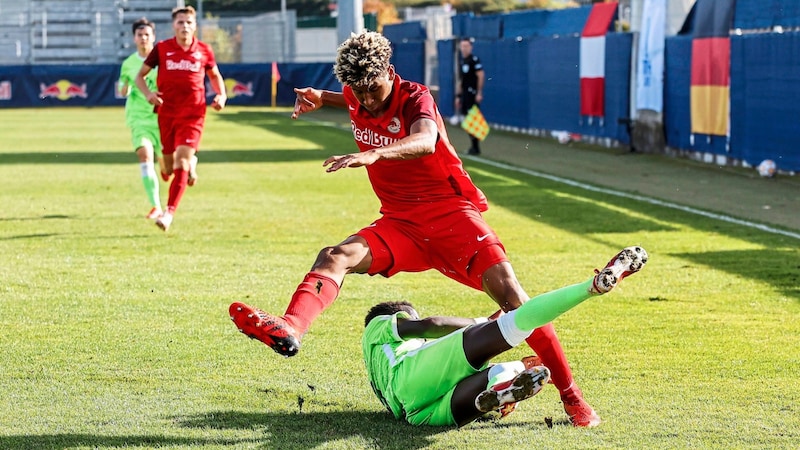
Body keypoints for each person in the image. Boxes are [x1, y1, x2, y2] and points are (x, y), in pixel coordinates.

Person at [228, 30, 601, 427]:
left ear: (389, 71)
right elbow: (354, 99)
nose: (367, 99)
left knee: (517, 302)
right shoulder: (357, 93)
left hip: (452, 216)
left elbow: (425, 140)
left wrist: (373, 154)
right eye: (358, 91)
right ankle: (290, 327)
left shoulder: (415, 97)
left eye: (373, 88)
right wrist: (324, 98)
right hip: (401, 223)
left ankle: (572, 397)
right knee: (335, 256)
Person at [233, 246, 649, 427]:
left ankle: (498, 387)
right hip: (414, 375)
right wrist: (475, 324)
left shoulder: (377, 363)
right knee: (517, 322)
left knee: (477, 386)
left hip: (412, 412)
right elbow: (430, 322)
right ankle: (591, 286)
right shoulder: (380, 326)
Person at [134, 6, 227, 232]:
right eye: (180, 22)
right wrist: (149, 94)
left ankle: (168, 213)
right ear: (173, 26)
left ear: (195, 26)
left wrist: (221, 95)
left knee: (181, 162)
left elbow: (215, 75)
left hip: (193, 114)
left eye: (188, 22)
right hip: (167, 113)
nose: (184, 26)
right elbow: (140, 76)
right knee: (166, 169)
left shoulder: (204, 50)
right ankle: (189, 166)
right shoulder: (162, 48)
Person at [117, 17, 165, 220]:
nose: (144, 38)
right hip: (139, 118)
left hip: (162, 118)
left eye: (147, 35)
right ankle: (156, 206)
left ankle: (165, 166)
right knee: (145, 156)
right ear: (134, 38)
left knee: (167, 166)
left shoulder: (163, 60)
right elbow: (122, 90)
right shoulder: (129, 64)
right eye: (140, 35)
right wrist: (124, 88)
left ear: (153, 37)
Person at [455, 37, 485, 156]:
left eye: (466, 46)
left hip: (472, 93)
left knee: (472, 118)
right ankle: (474, 145)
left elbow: (481, 76)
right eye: (462, 46)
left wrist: (479, 92)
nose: (464, 48)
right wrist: (458, 95)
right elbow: (461, 80)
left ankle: (476, 147)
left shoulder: (474, 60)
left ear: (471, 47)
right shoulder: (463, 61)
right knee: (467, 119)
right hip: (465, 94)